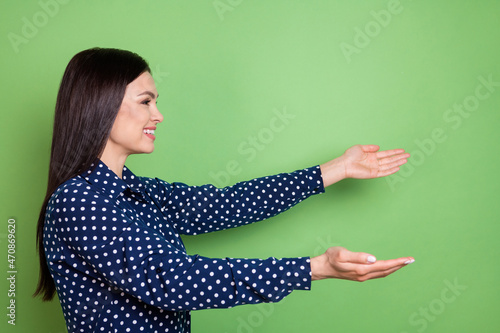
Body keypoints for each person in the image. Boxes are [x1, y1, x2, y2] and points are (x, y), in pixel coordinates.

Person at [34, 47, 414, 333]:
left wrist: (335, 169)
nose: (158, 115)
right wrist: (313, 269)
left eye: (156, 102)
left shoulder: (137, 192)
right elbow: (175, 281)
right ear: (101, 105)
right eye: (145, 101)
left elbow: (226, 204)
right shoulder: (78, 201)